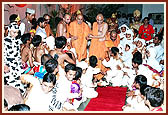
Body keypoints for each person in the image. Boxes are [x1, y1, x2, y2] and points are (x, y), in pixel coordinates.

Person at [4, 23, 25, 92]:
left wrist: (20, 60)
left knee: (20, 82)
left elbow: (17, 53)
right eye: (14, 32)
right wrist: (4, 65)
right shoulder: (4, 41)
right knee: (12, 84)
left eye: (17, 33)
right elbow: (3, 54)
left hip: (17, 65)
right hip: (9, 65)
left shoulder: (17, 41)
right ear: (9, 31)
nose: (16, 34)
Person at [88, 13, 108, 80]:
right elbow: (92, 32)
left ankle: (100, 76)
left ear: (103, 19)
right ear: (96, 19)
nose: (99, 22)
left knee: (100, 58)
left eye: (101, 20)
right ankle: (94, 75)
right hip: (94, 44)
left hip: (101, 44)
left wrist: (93, 37)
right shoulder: (94, 24)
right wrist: (89, 35)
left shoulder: (105, 25)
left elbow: (102, 35)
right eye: (98, 20)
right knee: (93, 58)